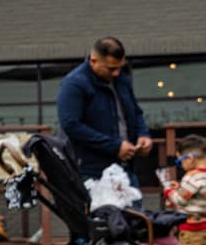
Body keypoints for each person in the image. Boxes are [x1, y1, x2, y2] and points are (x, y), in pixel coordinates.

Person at [56, 37, 151, 183]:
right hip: (92, 172)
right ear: (93, 61)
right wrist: (115, 147)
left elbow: (135, 111)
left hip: (126, 168)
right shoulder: (74, 84)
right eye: (111, 68)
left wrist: (143, 134)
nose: (116, 73)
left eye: (120, 67)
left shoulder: (121, 79)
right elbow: (71, 125)